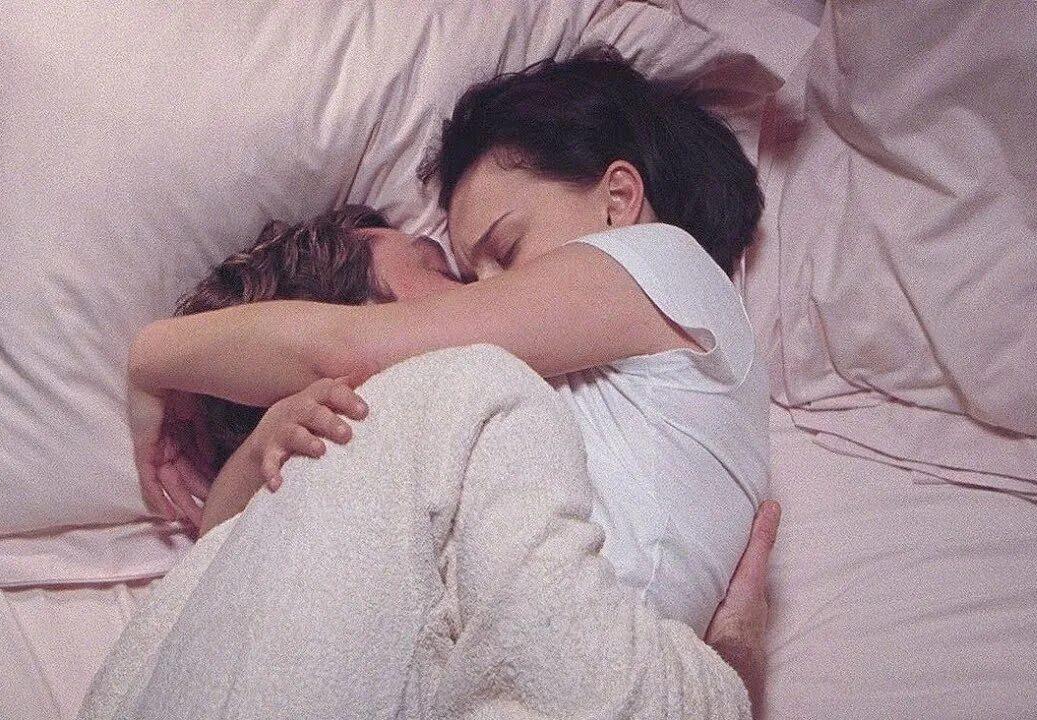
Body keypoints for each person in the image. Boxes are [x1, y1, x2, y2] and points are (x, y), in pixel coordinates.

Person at [126, 46, 776, 709]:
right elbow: (230, 571)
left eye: (505, 249)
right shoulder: (593, 375)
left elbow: (349, 349)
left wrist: (153, 354)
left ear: (618, 199)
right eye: (465, 273)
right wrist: (263, 441)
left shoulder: (664, 262)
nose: (478, 293)